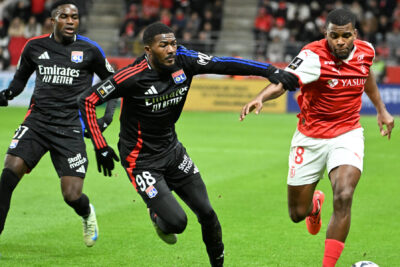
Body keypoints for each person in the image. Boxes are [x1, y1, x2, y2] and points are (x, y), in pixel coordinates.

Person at [77, 22, 297, 266]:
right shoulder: (132, 76)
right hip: (141, 161)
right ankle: (156, 212)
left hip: (173, 152)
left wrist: (270, 71)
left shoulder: (185, 60)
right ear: (148, 50)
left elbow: (222, 63)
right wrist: (100, 145)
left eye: (173, 43)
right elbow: (87, 100)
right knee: (177, 224)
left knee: (207, 213)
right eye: (164, 45)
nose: (171, 49)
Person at [240, 8, 394, 267]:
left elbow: (366, 75)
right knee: (297, 214)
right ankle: (314, 206)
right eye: (334, 36)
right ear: (326, 34)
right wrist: (261, 96)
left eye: (346, 36)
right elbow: (285, 80)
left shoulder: (366, 51)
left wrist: (381, 109)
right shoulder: (312, 55)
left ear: (354, 34)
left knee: (344, 194)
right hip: (310, 137)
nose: (340, 41)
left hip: (347, 133)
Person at [0, 0, 118, 247]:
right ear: (52, 21)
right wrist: (8, 94)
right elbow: (20, 81)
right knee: (9, 174)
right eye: (64, 16)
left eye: (74, 17)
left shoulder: (90, 50)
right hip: (37, 122)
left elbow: (114, 83)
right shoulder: (34, 46)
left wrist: (107, 117)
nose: (71, 21)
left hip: (70, 127)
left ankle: (86, 213)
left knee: (71, 195)